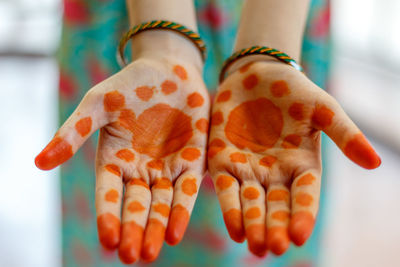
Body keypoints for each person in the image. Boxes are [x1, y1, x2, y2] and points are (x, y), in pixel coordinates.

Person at [35, 0, 380, 266]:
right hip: (130, 24)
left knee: (256, 229)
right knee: (122, 221)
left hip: (282, 22)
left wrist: (267, 52)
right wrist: (164, 46)